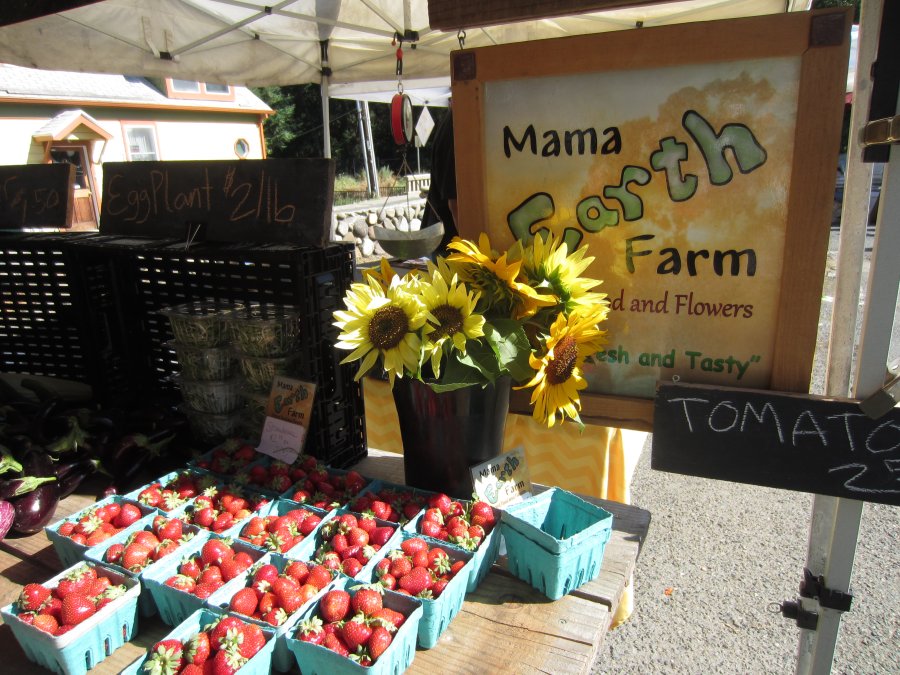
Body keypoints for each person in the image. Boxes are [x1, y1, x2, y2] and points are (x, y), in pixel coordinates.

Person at [421, 108, 458, 253]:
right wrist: (474, 254)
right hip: (449, 247)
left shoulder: (454, 120)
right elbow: (455, 203)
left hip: (445, 242)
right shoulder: (455, 126)